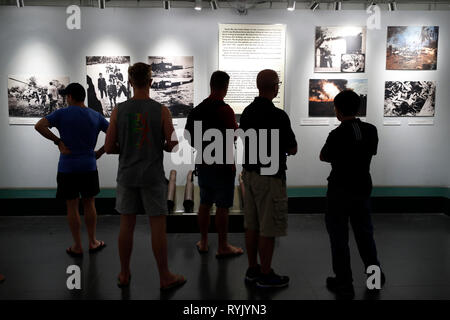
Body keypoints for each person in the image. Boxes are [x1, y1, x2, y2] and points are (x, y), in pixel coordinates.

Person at [105, 62, 186, 290]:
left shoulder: (118, 110)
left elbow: (109, 147)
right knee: (158, 226)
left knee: (126, 226)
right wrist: (156, 144)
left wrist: (129, 146)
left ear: (130, 82)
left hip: (127, 176)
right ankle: (164, 276)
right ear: (150, 82)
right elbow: (173, 144)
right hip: (152, 176)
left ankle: (123, 274)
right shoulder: (161, 111)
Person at [320, 89, 385, 299]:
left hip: (339, 190)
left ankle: (344, 283)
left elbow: (324, 156)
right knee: (365, 235)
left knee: (339, 238)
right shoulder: (371, 130)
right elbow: (371, 152)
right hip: (362, 188)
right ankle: (374, 277)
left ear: (337, 110)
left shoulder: (337, 134)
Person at [34, 83, 109, 257]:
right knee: (90, 204)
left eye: (66, 96)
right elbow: (115, 134)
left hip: (67, 167)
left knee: (72, 206)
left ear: (70, 97)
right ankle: (92, 242)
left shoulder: (61, 114)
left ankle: (77, 245)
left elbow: (39, 126)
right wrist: (100, 152)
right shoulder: (95, 115)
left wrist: (58, 142)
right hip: (89, 166)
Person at [239, 69, 298, 288]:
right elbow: (292, 148)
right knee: (268, 227)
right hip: (270, 178)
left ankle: (252, 269)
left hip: (250, 175)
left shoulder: (246, 112)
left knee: (252, 225)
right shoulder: (278, 115)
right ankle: (265, 274)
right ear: (275, 87)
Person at [184, 71, 243, 258]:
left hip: (203, 162)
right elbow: (234, 135)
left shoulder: (197, 110)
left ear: (211, 85)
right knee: (223, 206)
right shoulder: (226, 110)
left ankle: (203, 242)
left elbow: (189, 138)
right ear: (226, 87)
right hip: (223, 165)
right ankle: (223, 246)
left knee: (204, 202)